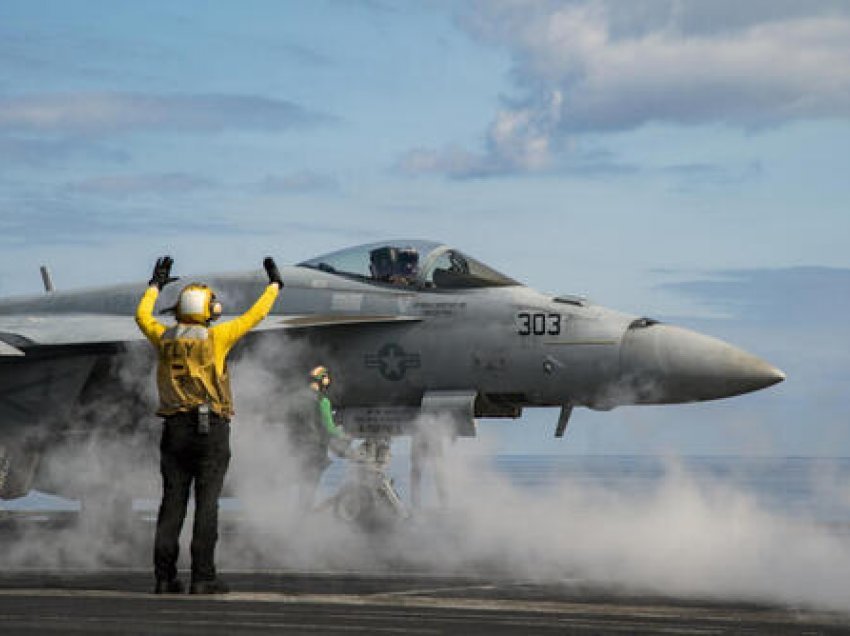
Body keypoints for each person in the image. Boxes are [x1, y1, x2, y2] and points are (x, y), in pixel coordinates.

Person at [136, 255, 283, 595]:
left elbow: (141, 316)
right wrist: (274, 285)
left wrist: (154, 286)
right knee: (207, 504)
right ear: (208, 310)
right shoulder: (217, 338)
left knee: (171, 503)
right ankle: (203, 577)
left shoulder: (164, 338)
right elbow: (255, 315)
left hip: (173, 429)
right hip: (210, 430)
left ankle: (163, 577)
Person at [286, 365, 350, 510]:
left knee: (301, 484)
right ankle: (303, 516)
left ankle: (296, 515)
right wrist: (343, 434)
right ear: (321, 380)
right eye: (326, 378)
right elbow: (329, 427)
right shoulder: (323, 401)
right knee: (310, 486)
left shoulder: (297, 399)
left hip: (297, 448)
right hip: (314, 449)